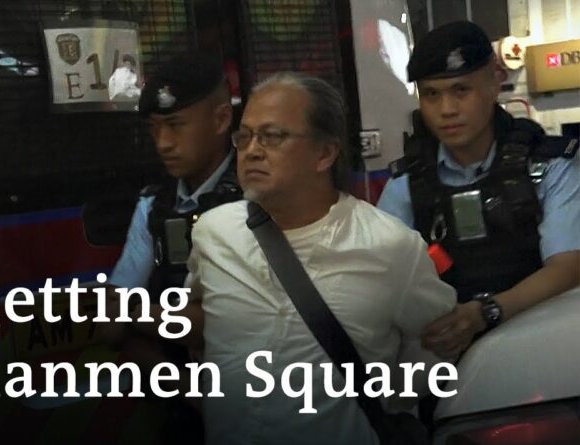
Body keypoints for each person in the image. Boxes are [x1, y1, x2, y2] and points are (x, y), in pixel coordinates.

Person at [185, 72, 456, 444]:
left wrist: (378, 402)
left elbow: (437, 347)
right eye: (244, 137)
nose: (252, 151)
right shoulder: (214, 233)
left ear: (325, 153)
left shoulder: (389, 246)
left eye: (272, 136)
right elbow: (203, 319)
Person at [377, 21, 580, 359]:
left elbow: (568, 266)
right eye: (431, 94)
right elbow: (380, 274)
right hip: (447, 356)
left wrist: (485, 313)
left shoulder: (549, 166)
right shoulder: (406, 184)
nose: (447, 110)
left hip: (546, 347)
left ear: (494, 82)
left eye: (461, 90)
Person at [99, 53, 240, 444]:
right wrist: (191, 394)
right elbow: (110, 324)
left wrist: (139, 315)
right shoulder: (153, 206)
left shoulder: (255, 199)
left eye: (176, 126)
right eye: (154, 129)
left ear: (221, 120)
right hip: (183, 407)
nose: (162, 143)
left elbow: (226, 326)